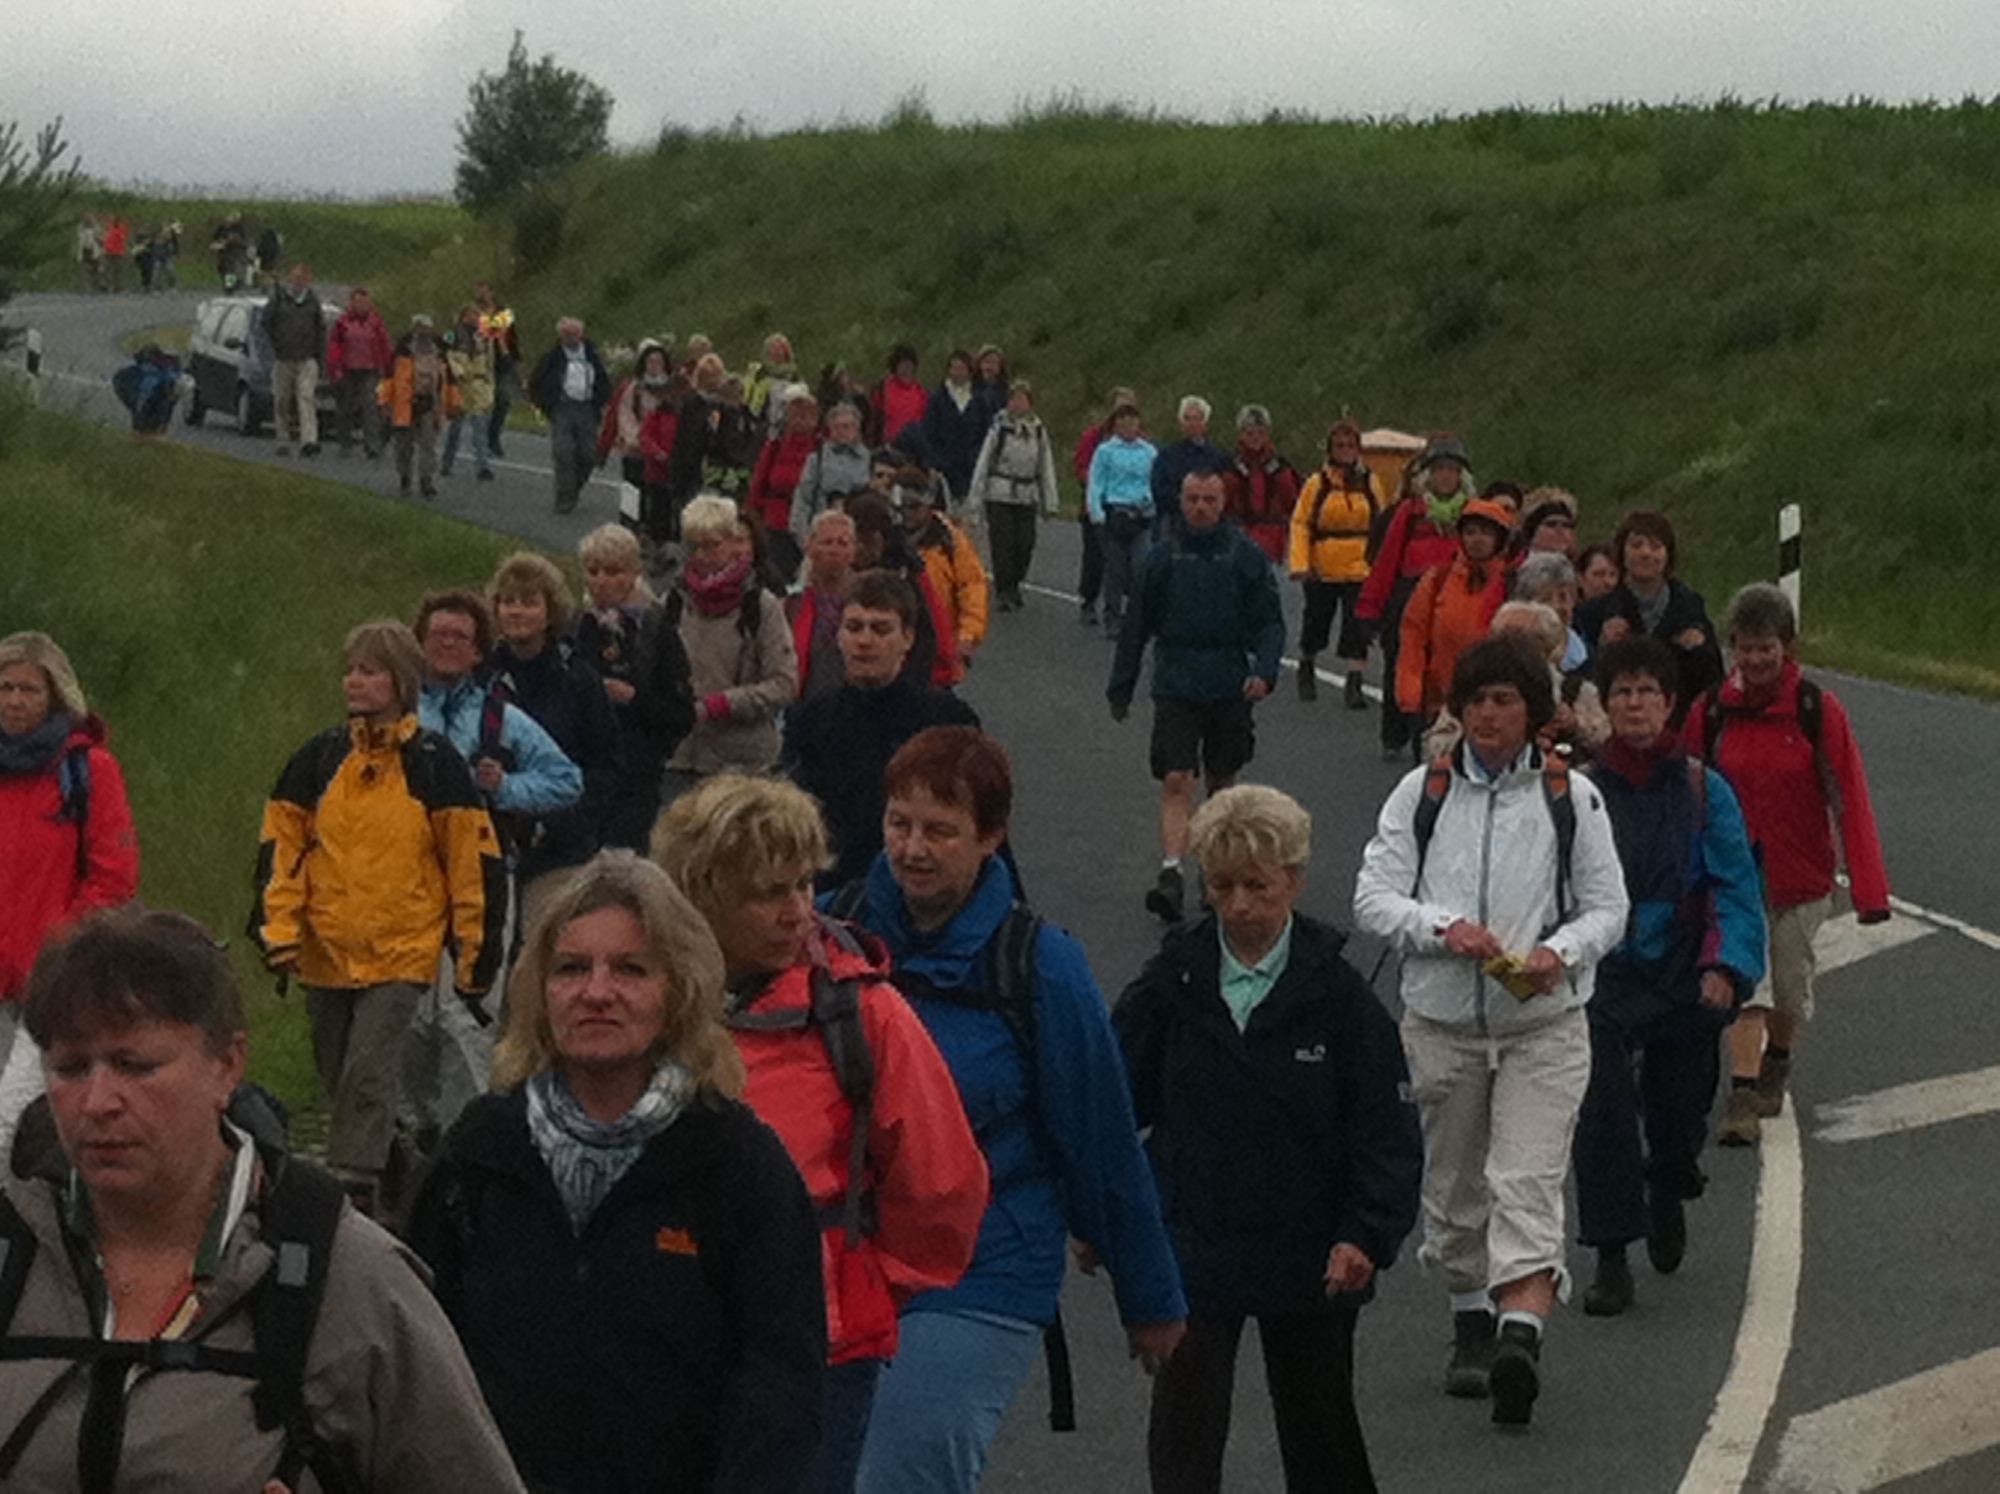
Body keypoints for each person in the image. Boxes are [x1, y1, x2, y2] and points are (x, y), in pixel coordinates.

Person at [0, 906, 528, 1492]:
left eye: (135, 1065)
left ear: (227, 1065)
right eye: (70, 1068)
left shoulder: (344, 1278)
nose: (98, 1101)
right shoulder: (13, 1252)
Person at [836, 727, 1187, 1494]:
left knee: (902, 1472)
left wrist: (1150, 1297)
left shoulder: (1039, 967)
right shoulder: (829, 940)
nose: (913, 849)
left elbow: (1099, 1138)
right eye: (899, 824)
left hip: (981, 1266)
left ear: (991, 837)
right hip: (838, 1258)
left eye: (940, 831)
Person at [405, 853, 826, 1493]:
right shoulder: (479, 1154)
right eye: (572, 968)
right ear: (541, 990)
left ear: (677, 990)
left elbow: (781, 1377)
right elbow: (415, 1355)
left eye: (631, 970)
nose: (597, 992)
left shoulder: (738, 1164)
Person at [652, 776, 989, 1494]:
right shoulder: (642, 1005)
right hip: (666, 1335)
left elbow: (943, 1179)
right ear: (702, 896)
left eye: (805, 884)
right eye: (770, 892)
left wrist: (868, 1284)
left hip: (822, 1347)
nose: (798, 911)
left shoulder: (860, 1009)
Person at [1114, 785, 1423, 1493]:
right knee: (1183, 1440)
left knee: (1323, 1440)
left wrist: (1366, 1234)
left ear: (1294, 879)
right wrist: (1106, 1220)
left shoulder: (1340, 997)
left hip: (1312, 1252)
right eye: (1222, 886)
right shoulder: (1171, 983)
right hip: (1195, 1244)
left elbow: (1385, 1129)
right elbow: (1111, 1103)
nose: (1240, 905)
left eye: (1258, 886)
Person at [1352, 636, 1628, 1428]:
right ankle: (1470, 1321)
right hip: (1442, 1025)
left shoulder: (1571, 797)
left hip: (1544, 1026)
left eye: (1504, 700)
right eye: (1475, 700)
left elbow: (1608, 908)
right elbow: (1374, 897)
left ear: (1533, 712)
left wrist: (1557, 953)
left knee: (1526, 1179)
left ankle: (1519, 1340)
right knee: (1454, 1188)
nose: (1487, 714)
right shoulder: (1423, 793)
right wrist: (1444, 929)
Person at [253, 622, 508, 1215]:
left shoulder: (434, 764)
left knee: (368, 1073)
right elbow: (281, 851)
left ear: (400, 680)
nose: (354, 681)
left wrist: (474, 958)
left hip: (401, 950)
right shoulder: (319, 759)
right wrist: (280, 930)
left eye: (368, 671)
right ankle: (404, 1173)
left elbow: (470, 863)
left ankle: (353, 1194)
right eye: (350, 670)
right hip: (326, 947)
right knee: (338, 1071)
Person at [1572, 637, 1765, 1317]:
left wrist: (1726, 967)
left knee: (1681, 1114)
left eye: (1647, 691)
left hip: (1684, 970)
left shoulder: (1703, 788)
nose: (1635, 704)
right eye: (1622, 692)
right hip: (1604, 976)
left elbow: (1736, 884)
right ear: (1605, 703)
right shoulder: (1580, 790)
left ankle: (1669, 1183)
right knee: (1602, 1113)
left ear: (1670, 702)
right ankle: (1611, 1255)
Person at [1683, 582, 1890, 1146]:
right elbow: (1686, 795)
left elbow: (1849, 797)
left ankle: (1777, 1057)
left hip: (1802, 879)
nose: (1754, 660)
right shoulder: (1710, 712)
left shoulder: (1816, 710)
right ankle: (1743, 1095)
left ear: (1787, 648)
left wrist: (1869, 891)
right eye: (1745, 648)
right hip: (1735, 880)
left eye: (1765, 648)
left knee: (1790, 991)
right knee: (1749, 983)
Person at [1108, 469, 1285, 924]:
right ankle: (1172, 871)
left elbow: (1270, 622)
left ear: (1222, 503)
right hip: (1176, 679)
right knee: (1175, 778)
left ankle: (1214, 871)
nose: (1201, 507)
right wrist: (1121, 685)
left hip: (1228, 680)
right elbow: (1136, 625)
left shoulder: (1245, 556)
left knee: (1222, 783)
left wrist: (1265, 671)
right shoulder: (1162, 558)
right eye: (1193, 499)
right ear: (1181, 502)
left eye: (1209, 499)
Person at [0, 632, 139, 1158]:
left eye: (29, 690)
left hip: (53, 974)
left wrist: (62, 942)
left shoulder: (87, 768)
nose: (15, 701)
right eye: (5, 688)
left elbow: (113, 876)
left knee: (12, 1116)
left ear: (55, 695)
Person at [785, 569, 980, 888]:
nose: (864, 641)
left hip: (918, 885)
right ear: (839, 635)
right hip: (831, 889)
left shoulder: (948, 721)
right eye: (854, 627)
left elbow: (979, 819)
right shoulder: (809, 718)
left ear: (908, 638)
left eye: (881, 629)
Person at [484, 553, 626, 898]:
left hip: (561, 852)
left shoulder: (578, 678)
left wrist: (569, 823)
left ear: (550, 612)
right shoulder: (481, 676)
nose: (517, 612)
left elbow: (606, 763)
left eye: (529, 602)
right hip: (487, 845)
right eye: (508, 602)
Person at [570, 524, 697, 851]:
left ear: (634, 573)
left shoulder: (655, 628)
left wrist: (635, 698)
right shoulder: (576, 626)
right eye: (593, 571)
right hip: (583, 771)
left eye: (613, 572)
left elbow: (681, 713)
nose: (601, 581)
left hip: (636, 773)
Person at [667, 495, 800, 789]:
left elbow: (784, 683)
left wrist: (724, 704)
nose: (702, 556)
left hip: (743, 766)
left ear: (732, 543)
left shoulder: (761, 606)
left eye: (712, 545)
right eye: (694, 546)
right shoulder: (674, 602)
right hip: (679, 758)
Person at [1357, 433, 1472, 758]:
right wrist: (1369, 608)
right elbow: (1387, 562)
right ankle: (1395, 733)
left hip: (1453, 606)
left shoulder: (1472, 515)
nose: (1446, 476)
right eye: (1440, 469)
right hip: (1407, 604)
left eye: (1452, 470)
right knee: (1401, 668)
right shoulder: (1410, 513)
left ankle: (1440, 735)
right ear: (1429, 475)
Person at [1573, 510, 1723, 723]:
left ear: (1668, 555)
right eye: (1636, 545)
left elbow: (1713, 679)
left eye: (1655, 546)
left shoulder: (1691, 608)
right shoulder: (1594, 612)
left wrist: (1697, 650)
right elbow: (1580, 677)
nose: (1645, 553)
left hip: (1680, 726)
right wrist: (1603, 646)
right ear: (1622, 553)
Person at [1394, 499, 1515, 753]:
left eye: (1486, 533)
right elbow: (1413, 637)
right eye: (1470, 532)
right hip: (1440, 703)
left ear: (1500, 539)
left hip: (1494, 705)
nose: (1477, 539)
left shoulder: (1512, 584)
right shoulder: (1438, 579)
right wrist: (1410, 695)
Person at [1288, 418, 1381, 707]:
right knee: (1317, 621)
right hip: (1323, 567)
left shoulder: (1370, 482)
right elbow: (1301, 523)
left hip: (1360, 566)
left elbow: (1382, 523)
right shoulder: (1317, 483)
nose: (1345, 451)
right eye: (1339, 446)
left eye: (1350, 445)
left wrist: (1380, 565)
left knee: (1359, 625)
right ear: (1330, 450)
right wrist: (1300, 564)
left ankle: (1355, 682)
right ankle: (1307, 662)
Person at [846, 491, 958, 690]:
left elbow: (932, 630)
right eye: (854, 541)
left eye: (864, 541)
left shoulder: (907, 575)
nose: (857, 550)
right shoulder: (836, 573)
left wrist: (940, 674)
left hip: (907, 680)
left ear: (879, 538)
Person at [967, 378, 1061, 612]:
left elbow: (1045, 466)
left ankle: (1016, 583)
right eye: (1014, 399)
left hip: (1027, 495)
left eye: (1022, 399)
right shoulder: (999, 429)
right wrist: (975, 502)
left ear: (1030, 403)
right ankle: (1003, 589)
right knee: (1003, 545)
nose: (1017, 403)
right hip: (999, 493)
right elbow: (983, 464)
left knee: (1025, 544)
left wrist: (1049, 501)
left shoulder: (1038, 430)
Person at [899, 469, 989, 683]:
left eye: (914, 507)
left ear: (929, 505)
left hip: (939, 646)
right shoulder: (883, 539)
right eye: (901, 507)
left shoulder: (950, 540)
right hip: (893, 643)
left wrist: (968, 634)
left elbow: (972, 585)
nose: (907, 514)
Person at [1086, 401, 1158, 637]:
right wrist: (1096, 513)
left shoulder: (1149, 452)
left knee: (1141, 568)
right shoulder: (1105, 451)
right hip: (1115, 514)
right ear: (1116, 426)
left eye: (1132, 423)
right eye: (1123, 423)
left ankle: (1138, 617)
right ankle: (1113, 617)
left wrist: (1153, 505)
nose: (1128, 428)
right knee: (1115, 571)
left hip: (1142, 515)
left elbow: (1154, 482)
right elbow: (1096, 483)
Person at [529, 316, 611, 515]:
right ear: (561, 336)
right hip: (562, 408)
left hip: (587, 409)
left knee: (588, 455)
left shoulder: (591, 355)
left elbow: (602, 380)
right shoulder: (552, 357)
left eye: (575, 334)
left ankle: (574, 487)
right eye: (567, 335)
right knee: (564, 453)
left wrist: (602, 401)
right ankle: (564, 498)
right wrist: (546, 404)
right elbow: (536, 381)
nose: (572, 338)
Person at [1073, 388, 1139, 625]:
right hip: (1098, 507)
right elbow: (1081, 466)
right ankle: (1089, 601)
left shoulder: (1142, 443)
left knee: (1128, 561)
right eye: (1120, 408)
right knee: (1096, 558)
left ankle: (1123, 605)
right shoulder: (1095, 437)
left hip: (1129, 511)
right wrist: (1098, 490)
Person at [382, 314, 460, 500]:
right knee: (404, 446)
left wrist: (454, 403)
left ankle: (426, 481)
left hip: (431, 405)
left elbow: (450, 380)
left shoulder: (440, 353)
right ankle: (405, 477)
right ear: (414, 328)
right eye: (420, 327)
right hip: (405, 405)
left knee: (428, 445)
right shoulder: (401, 352)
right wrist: (384, 401)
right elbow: (387, 379)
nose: (424, 331)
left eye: (427, 328)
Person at [749, 384, 820, 578]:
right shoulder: (775, 446)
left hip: (810, 521)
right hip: (777, 519)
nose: (799, 420)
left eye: (805, 416)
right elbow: (758, 482)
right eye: (795, 415)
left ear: (815, 420)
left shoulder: (821, 448)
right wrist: (753, 514)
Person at [790, 509, 860, 700]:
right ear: (809, 547)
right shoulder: (792, 603)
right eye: (827, 542)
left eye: (842, 543)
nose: (834, 550)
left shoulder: (866, 599)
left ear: (853, 551)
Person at [1219, 405, 1299, 565]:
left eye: (1260, 433)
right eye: (1250, 433)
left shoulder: (1282, 469)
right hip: (1238, 542)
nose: (1255, 438)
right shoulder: (1228, 468)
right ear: (1241, 435)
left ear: (1267, 434)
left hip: (1274, 544)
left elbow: (1293, 504)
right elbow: (1221, 506)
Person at [788, 401, 874, 548]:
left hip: (858, 535)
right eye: (836, 427)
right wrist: (803, 537)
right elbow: (803, 498)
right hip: (823, 530)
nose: (841, 432)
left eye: (846, 427)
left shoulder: (869, 459)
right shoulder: (817, 459)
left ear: (857, 429)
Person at [324, 286, 392, 461]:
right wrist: (335, 368)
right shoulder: (342, 322)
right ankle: (345, 443)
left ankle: (372, 445)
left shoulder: (376, 323)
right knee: (345, 407)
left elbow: (384, 344)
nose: (361, 305)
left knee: (370, 406)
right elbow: (334, 346)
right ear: (351, 303)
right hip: (347, 369)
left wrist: (388, 367)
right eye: (358, 302)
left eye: (364, 302)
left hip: (370, 369)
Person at [264, 262, 324, 458]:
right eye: (297, 277)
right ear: (291, 278)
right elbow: (266, 323)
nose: (300, 281)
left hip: (307, 357)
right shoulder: (279, 298)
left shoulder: (313, 301)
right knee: (281, 399)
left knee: (306, 397)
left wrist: (320, 357)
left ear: (309, 280)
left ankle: (309, 440)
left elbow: (320, 329)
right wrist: (276, 345)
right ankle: (283, 438)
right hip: (284, 358)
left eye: (303, 278)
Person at [1150, 396, 1228, 533]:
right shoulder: (1167, 456)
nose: (1192, 423)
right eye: (1187, 418)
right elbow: (1158, 489)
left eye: (1197, 418)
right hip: (1174, 522)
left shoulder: (1219, 457)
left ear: (1205, 423)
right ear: (1181, 424)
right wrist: (1186, 503)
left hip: (1211, 523)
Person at [920, 350, 987, 505]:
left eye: (962, 368)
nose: (958, 373)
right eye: (954, 368)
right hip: (945, 467)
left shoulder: (979, 399)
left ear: (970, 371)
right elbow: (929, 432)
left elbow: (984, 432)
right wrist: (935, 462)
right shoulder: (938, 398)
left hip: (971, 467)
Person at [440, 302, 497, 482]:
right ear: (464, 316)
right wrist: (458, 373)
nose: (475, 318)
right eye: (471, 314)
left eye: (477, 315)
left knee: (480, 428)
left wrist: (490, 381)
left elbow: (490, 360)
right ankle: (447, 463)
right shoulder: (452, 334)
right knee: (455, 429)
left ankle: (483, 466)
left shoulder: (484, 336)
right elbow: (446, 354)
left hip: (479, 385)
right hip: (461, 385)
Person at [472, 282, 521, 459]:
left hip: (501, 360)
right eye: (479, 289)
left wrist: (513, 358)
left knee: (503, 399)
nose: (482, 293)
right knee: (481, 402)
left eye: (485, 290)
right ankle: (480, 438)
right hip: (478, 360)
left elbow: (508, 335)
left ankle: (493, 436)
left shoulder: (503, 312)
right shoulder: (471, 312)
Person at [110, 344, 183, 437]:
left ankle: (150, 430)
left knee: (162, 402)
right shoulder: (145, 376)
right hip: (142, 392)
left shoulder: (169, 375)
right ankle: (148, 431)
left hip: (148, 392)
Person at [869, 343, 927, 449]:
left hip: (914, 447)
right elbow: (872, 417)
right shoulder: (883, 388)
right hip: (888, 447)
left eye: (909, 365)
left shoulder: (921, 392)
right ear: (895, 367)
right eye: (902, 364)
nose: (906, 369)